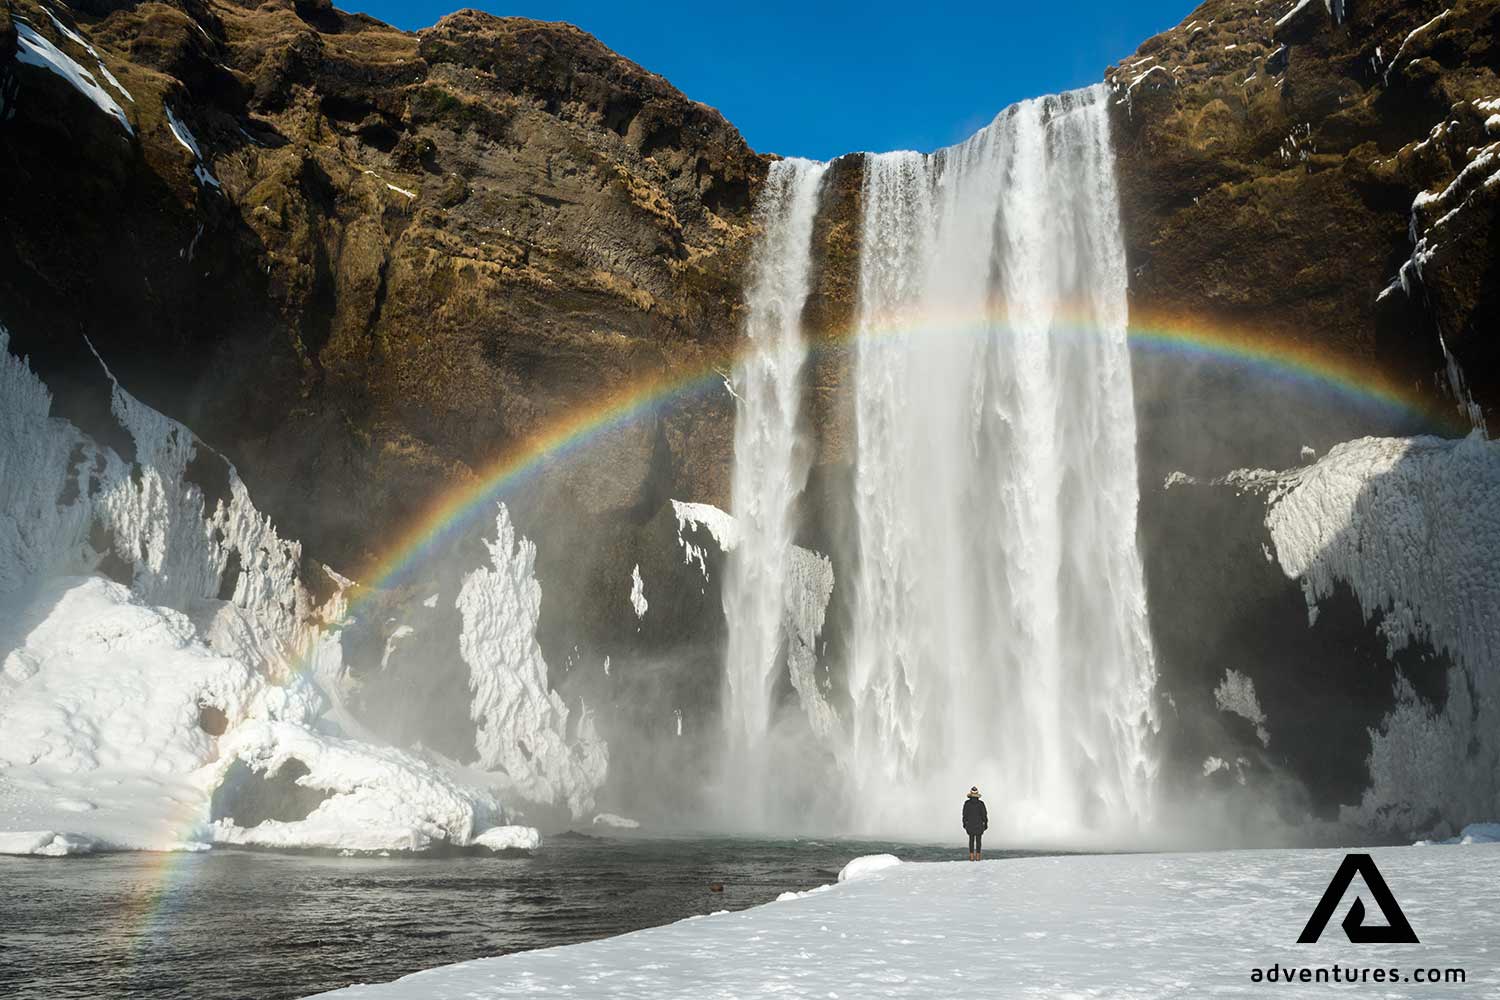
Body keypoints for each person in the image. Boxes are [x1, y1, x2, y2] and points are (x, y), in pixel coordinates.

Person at [963, 786, 987, 861]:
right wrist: (985, 823)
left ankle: (971, 857)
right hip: (979, 824)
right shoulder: (981, 803)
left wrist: (964, 823)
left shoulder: (967, 803)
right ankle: (978, 856)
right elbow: (984, 815)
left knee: (971, 840)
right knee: (979, 841)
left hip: (970, 824)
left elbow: (964, 815)